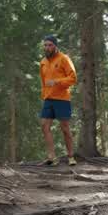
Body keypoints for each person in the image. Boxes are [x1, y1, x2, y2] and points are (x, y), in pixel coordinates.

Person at [39, 35, 77, 166]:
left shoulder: (64, 59)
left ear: (55, 46)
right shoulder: (43, 62)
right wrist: (44, 95)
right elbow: (43, 82)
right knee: (44, 126)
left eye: (50, 45)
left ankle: (71, 156)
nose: (47, 47)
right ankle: (51, 157)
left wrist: (56, 82)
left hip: (62, 98)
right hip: (48, 99)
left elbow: (73, 78)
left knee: (65, 128)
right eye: (45, 45)